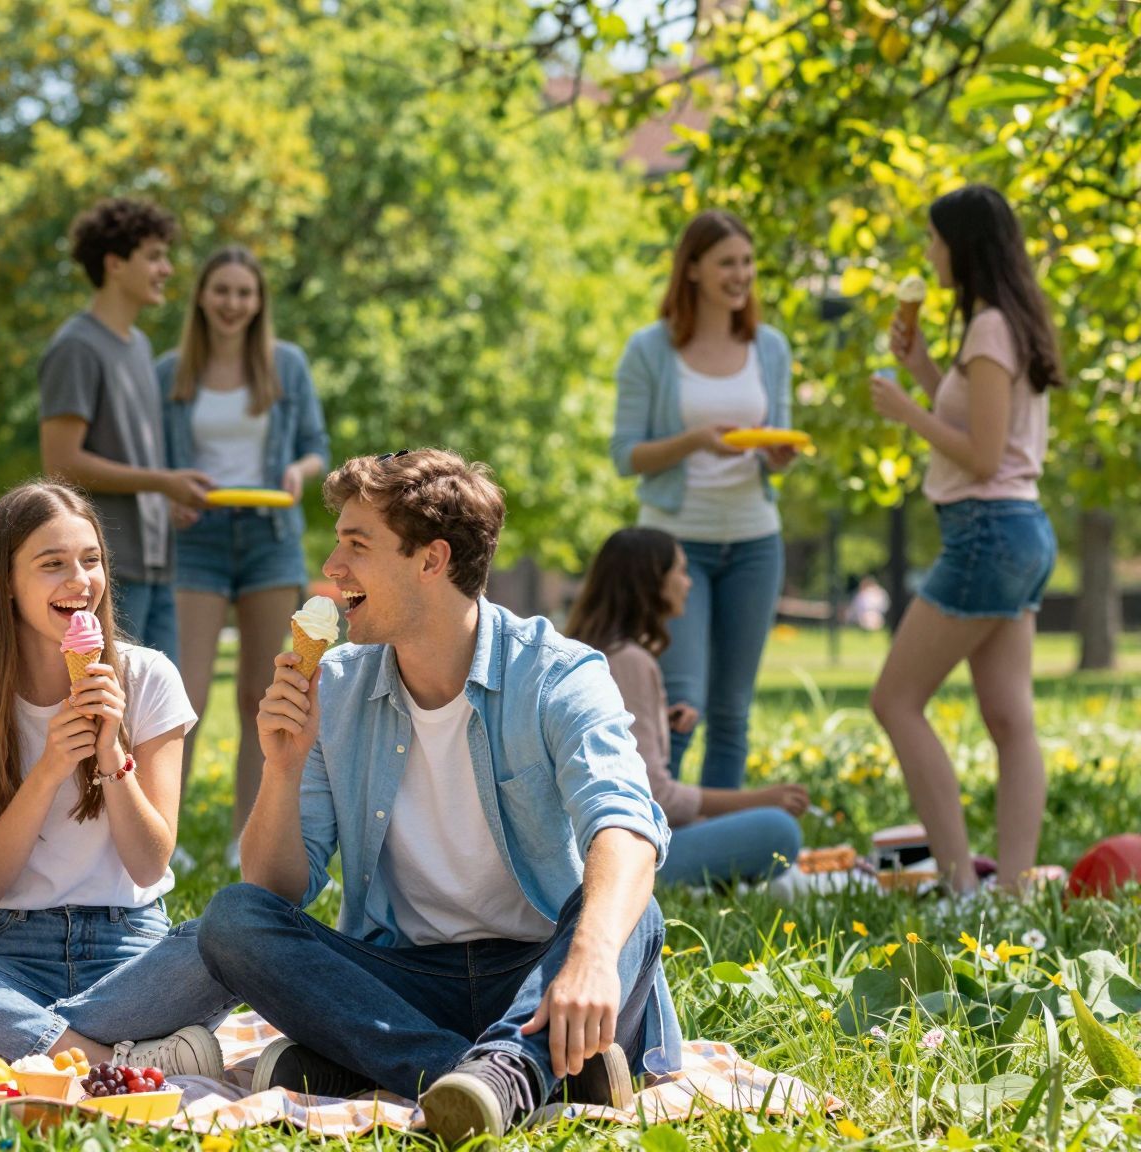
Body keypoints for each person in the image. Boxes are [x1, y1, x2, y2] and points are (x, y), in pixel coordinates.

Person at [196, 450, 680, 1142]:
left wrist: (593, 956)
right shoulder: (335, 687)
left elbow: (626, 824)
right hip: (403, 978)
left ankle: (389, 1064)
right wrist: (280, 768)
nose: (332, 567)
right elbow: (275, 890)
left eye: (356, 545)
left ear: (431, 560)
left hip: (540, 972)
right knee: (233, 919)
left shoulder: (559, 674)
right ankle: (497, 1073)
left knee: (636, 914)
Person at [0, 482, 236, 1076]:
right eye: (52, 564)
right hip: (9, 950)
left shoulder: (149, 677)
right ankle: (101, 1058)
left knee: (237, 930)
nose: (79, 580)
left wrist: (112, 755)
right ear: (5, 581)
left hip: (129, 952)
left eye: (91, 559)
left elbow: (151, 865)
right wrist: (51, 767)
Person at [867, 184, 1063, 895]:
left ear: (962, 246)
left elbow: (980, 455)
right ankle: (1009, 892)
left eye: (934, 239)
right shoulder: (1008, 323)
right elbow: (992, 433)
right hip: (1021, 531)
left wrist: (904, 407)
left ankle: (959, 886)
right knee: (1011, 718)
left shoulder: (987, 328)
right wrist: (922, 368)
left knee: (894, 700)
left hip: (986, 532)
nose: (929, 253)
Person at [609, 212, 799, 790]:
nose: (740, 275)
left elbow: (780, 434)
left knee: (732, 711)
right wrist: (693, 440)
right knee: (683, 701)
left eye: (746, 262)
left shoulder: (770, 348)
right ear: (692, 269)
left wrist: (779, 455)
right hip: (676, 546)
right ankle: (658, 836)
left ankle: (723, 855)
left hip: (754, 540)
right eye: (726, 263)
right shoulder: (650, 349)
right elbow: (626, 455)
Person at [158, 247, 329, 859]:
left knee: (265, 692)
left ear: (259, 303)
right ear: (202, 296)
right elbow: (153, 464)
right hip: (196, 539)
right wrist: (170, 493)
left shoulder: (286, 365)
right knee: (185, 692)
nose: (233, 303)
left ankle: (246, 836)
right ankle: (162, 833)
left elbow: (316, 447)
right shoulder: (169, 373)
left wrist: (297, 472)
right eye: (222, 291)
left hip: (268, 537)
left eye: (245, 293)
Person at [565, 527, 806, 887]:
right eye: (680, 571)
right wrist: (760, 799)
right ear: (651, 581)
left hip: (591, 848)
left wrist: (657, 720)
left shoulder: (593, 651)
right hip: (615, 864)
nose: (689, 583)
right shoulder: (630, 661)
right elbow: (656, 796)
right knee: (779, 830)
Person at [39, 197, 214, 662]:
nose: (167, 269)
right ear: (115, 264)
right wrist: (162, 482)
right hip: (107, 568)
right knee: (110, 710)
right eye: (154, 256)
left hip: (157, 562)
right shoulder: (76, 347)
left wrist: (166, 498)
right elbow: (61, 463)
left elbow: (134, 456)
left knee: (163, 714)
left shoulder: (139, 347)